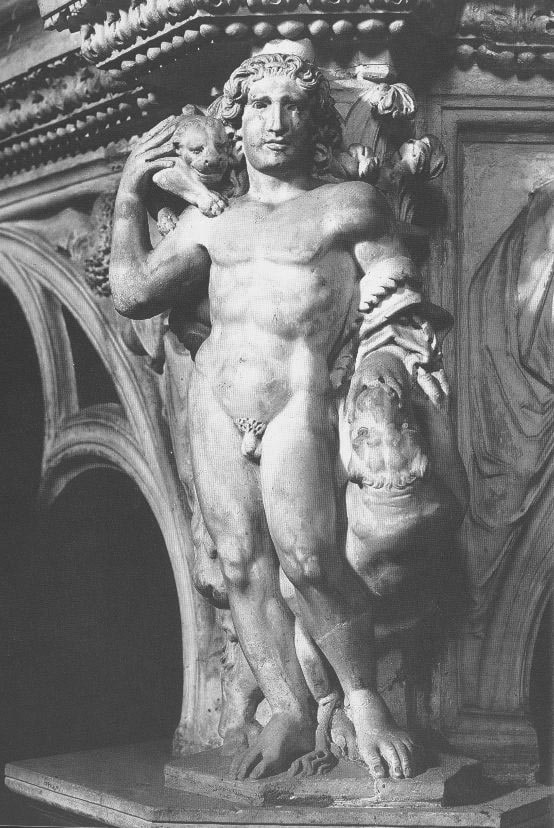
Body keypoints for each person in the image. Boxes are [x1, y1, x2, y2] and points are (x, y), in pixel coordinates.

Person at [109, 52, 463, 782]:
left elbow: (396, 300)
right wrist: (126, 196)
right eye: (260, 106)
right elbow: (134, 292)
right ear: (235, 123)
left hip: (299, 401)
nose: (276, 121)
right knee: (242, 564)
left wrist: (382, 374)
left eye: (294, 106)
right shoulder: (213, 222)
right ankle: (290, 711)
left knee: (308, 558)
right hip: (216, 403)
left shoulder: (347, 205)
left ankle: (363, 699)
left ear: (316, 122)